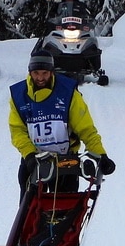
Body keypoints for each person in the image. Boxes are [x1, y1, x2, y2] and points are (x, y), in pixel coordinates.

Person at [9, 49, 114, 192]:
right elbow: (17, 130)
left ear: (52, 72)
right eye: (36, 73)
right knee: (30, 211)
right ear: (30, 73)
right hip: (34, 160)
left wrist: (101, 156)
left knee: (67, 209)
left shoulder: (68, 93)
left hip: (65, 161)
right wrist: (29, 155)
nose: (40, 78)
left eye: (44, 73)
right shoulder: (19, 95)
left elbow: (86, 129)